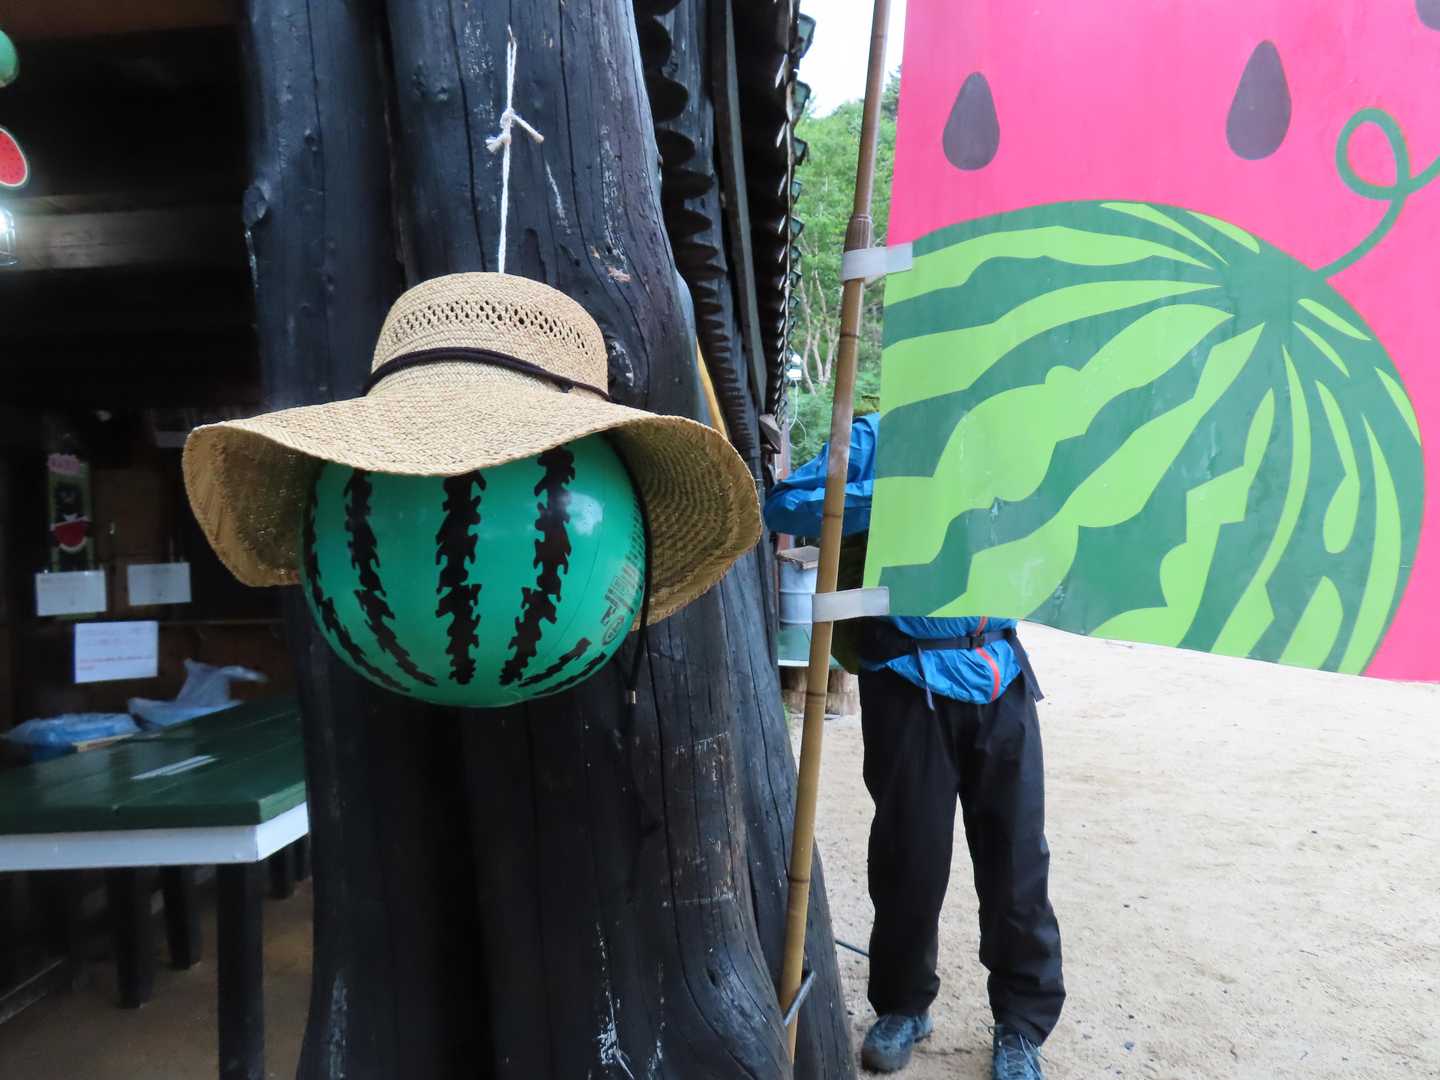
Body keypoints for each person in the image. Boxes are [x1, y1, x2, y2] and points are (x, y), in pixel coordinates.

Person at [764, 412, 1064, 1079]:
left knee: (1018, 862)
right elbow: (784, 505)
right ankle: (903, 1006)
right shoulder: (879, 435)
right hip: (908, 681)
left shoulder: (1016, 431)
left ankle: (1021, 1025)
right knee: (909, 857)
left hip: (1001, 674)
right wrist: (900, 493)